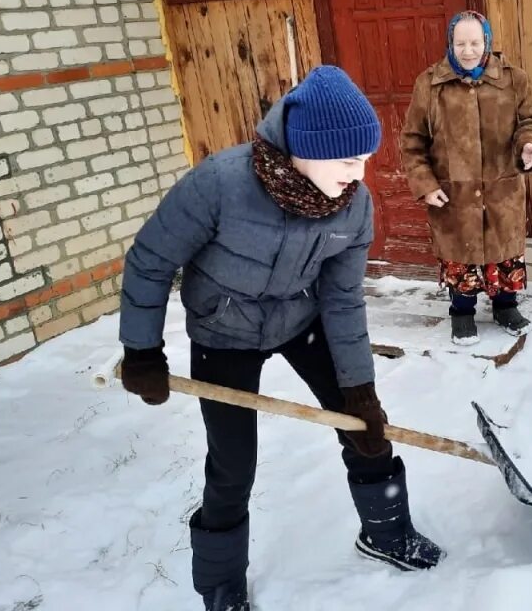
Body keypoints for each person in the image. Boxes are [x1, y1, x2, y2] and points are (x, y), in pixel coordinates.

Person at [117, 66, 443, 611]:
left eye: (364, 158)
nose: (359, 173)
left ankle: (385, 532)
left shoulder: (353, 205)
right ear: (304, 149)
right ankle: (221, 588)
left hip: (299, 320)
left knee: (365, 427)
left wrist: (360, 387)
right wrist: (144, 351)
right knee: (233, 464)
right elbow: (149, 262)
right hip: (223, 331)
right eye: (346, 160)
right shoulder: (218, 185)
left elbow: (342, 299)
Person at [400, 11, 532, 346]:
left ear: (487, 43)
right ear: (451, 43)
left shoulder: (513, 80)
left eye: (475, 43)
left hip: (502, 188)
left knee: (503, 252)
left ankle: (505, 307)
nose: (468, 51)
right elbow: (412, 140)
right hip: (454, 195)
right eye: (460, 43)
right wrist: (425, 184)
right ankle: (462, 314)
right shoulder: (430, 84)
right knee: (460, 257)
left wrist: (529, 146)